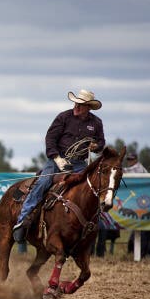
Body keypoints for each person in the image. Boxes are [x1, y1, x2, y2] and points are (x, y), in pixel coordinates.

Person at [13, 89, 105, 243]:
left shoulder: (96, 123)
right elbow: (50, 138)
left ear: (88, 107)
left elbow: (101, 142)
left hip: (79, 163)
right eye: (76, 103)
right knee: (42, 183)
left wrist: (96, 146)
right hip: (57, 160)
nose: (76, 106)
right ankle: (22, 220)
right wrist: (57, 158)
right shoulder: (64, 117)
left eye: (81, 104)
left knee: (90, 187)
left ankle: (90, 222)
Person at [123, 153, 150, 259]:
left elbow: (127, 172)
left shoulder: (139, 169)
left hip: (145, 203)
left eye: (131, 159)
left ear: (136, 160)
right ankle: (143, 252)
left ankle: (143, 252)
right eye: (128, 159)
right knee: (142, 229)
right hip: (143, 202)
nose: (130, 161)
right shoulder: (135, 169)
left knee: (143, 229)